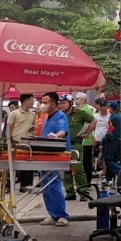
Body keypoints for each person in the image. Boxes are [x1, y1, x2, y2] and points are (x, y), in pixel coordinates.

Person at [37, 91, 71, 227]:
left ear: (52, 104)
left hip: (57, 155)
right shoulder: (46, 118)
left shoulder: (61, 116)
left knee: (54, 185)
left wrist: (56, 136)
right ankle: (52, 214)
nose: (42, 105)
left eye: (45, 102)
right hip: (44, 155)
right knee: (45, 186)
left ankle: (62, 215)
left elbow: (63, 131)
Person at [59, 95, 92, 200]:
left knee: (78, 169)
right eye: (60, 103)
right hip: (63, 145)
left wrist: (87, 133)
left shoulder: (80, 113)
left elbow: (93, 121)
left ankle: (83, 192)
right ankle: (70, 193)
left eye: (64, 103)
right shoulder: (60, 115)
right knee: (66, 169)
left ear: (70, 103)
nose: (62, 105)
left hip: (76, 145)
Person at [5, 94, 37, 192]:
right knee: (11, 164)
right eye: (31, 100)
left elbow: (34, 127)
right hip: (16, 142)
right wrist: (8, 141)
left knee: (27, 164)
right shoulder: (14, 113)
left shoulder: (32, 114)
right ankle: (8, 186)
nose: (33, 102)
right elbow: (9, 128)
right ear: (26, 101)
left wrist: (32, 129)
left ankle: (25, 185)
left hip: (27, 143)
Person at [74, 93, 97, 195]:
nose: (76, 100)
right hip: (86, 140)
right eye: (76, 99)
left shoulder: (85, 109)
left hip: (86, 141)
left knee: (85, 163)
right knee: (85, 163)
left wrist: (86, 133)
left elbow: (91, 122)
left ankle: (87, 182)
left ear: (83, 100)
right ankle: (87, 182)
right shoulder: (82, 108)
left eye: (78, 99)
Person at [102, 101, 121, 178]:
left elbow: (110, 131)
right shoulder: (119, 116)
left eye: (109, 108)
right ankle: (110, 178)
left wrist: (104, 139)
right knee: (114, 159)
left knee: (108, 160)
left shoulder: (113, 118)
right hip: (118, 140)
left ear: (111, 109)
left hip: (112, 141)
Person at [91, 99, 111, 176]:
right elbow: (92, 128)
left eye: (104, 106)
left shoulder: (110, 117)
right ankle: (93, 170)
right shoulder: (95, 116)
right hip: (97, 138)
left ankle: (104, 172)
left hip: (106, 139)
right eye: (101, 106)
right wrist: (93, 138)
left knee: (105, 157)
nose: (103, 108)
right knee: (93, 155)